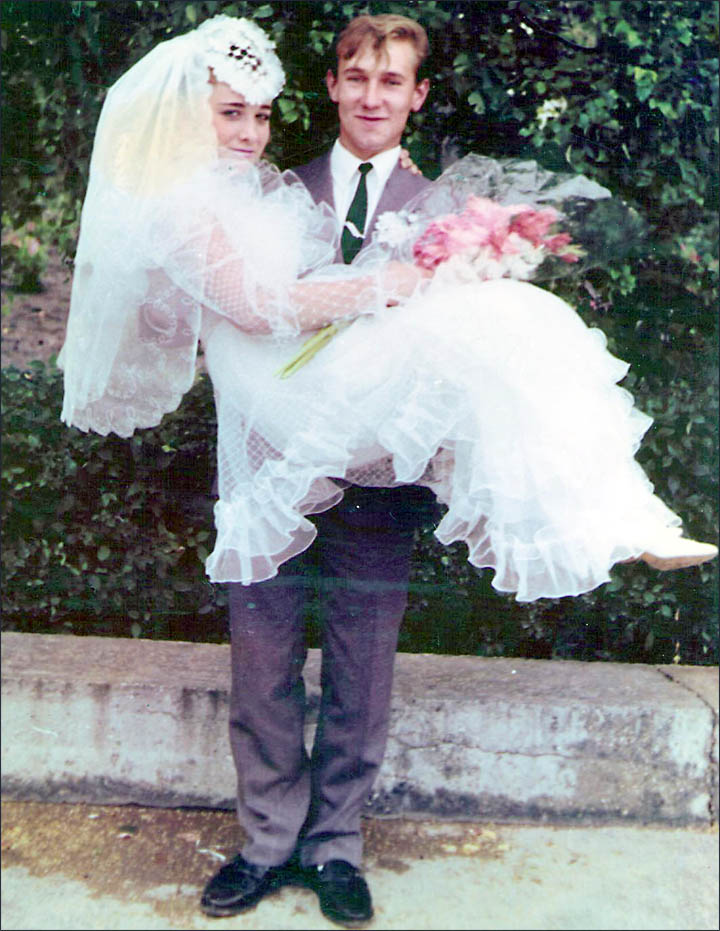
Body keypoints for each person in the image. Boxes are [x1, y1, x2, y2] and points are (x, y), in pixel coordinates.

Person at [57, 12, 717, 930]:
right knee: (263, 654)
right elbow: (247, 307)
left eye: (392, 83)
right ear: (330, 88)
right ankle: (263, 842)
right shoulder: (264, 186)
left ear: (417, 96)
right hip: (277, 457)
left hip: (381, 467)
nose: (372, 97)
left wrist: (467, 262)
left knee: (365, 660)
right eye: (356, 80)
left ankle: (335, 847)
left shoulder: (437, 200)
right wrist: (388, 288)